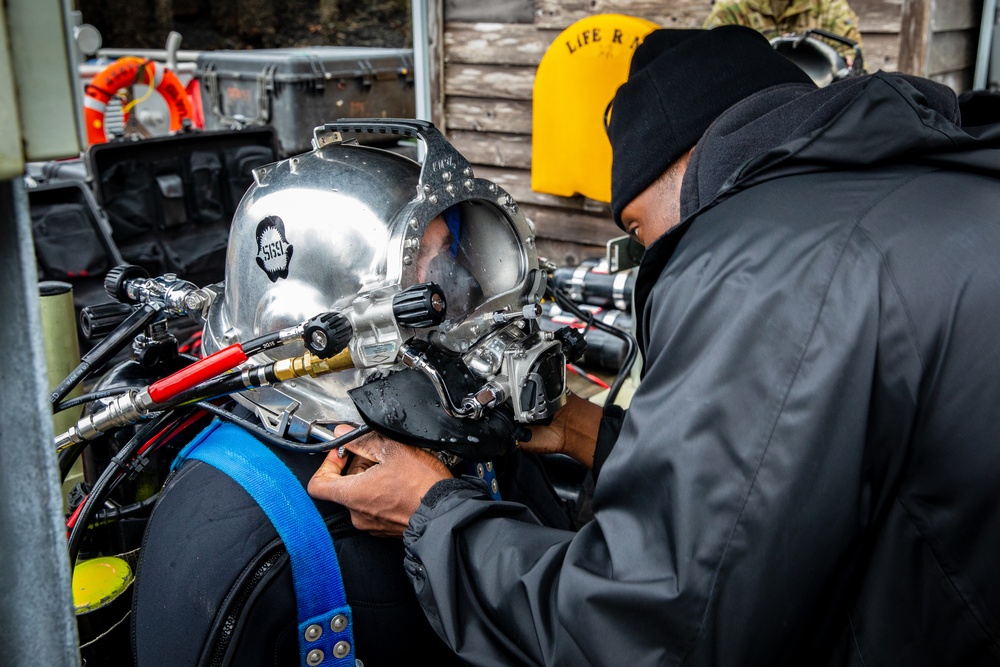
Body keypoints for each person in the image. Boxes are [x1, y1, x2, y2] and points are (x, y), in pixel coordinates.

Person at [308, 25, 1000, 665]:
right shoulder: (931, 180)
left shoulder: (766, 256)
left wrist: (433, 514)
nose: (648, 250)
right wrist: (594, 434)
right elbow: (791, 484)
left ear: (683, 162)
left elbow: (650, 629)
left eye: (638, 227)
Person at [704, 0, 862, 61]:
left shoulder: (828, 6)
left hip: (817, 105)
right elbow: (708, 62)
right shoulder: (732, 8)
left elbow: (852, 62)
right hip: (751, 106)